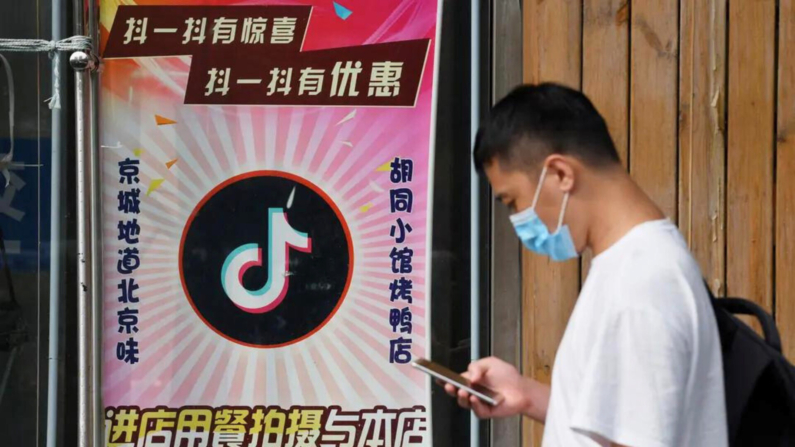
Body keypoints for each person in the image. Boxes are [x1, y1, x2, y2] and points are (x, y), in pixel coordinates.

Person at [446, 83, 728, 446]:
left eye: (513, 201)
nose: (518, 220)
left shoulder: (641, 282)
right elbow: (621, 421)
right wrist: (525, 394)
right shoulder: (632, 266)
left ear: (561, 173)